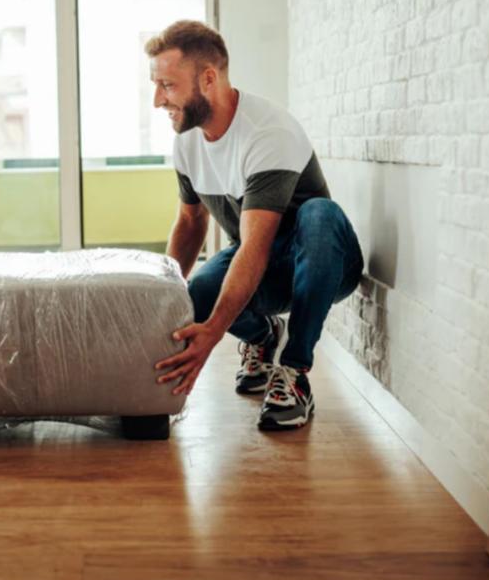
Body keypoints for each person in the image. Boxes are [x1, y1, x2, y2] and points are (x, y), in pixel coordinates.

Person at [151, 21, 364, 430]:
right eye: (156, 85)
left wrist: (214, 331)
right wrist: (162, 297)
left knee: (320, 212)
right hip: (262, 266)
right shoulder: (187, 141)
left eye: (168, 85)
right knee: (195, 293)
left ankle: (295, 373)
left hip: (322, 263)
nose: (158, 99)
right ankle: (265, 335)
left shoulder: (268, 131)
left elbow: (256, 246)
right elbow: (190, 222)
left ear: (208, 79)